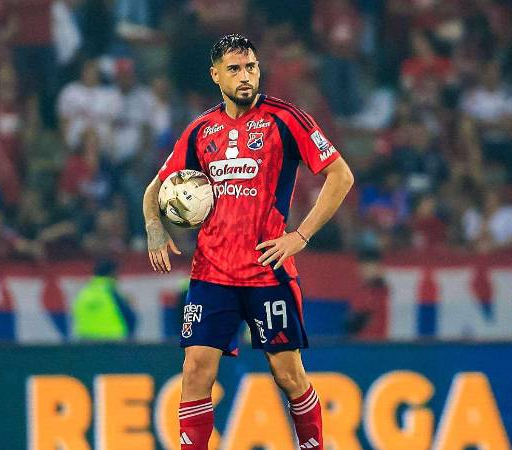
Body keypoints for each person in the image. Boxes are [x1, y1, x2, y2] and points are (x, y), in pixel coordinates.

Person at [143, 35, 355, 450]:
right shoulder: (200, 130)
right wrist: (155, 226)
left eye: (252, 67)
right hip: (211, 273)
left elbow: (340, 175)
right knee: (195, 370)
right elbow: (155, 188)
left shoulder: (286, 119)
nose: (246, 76)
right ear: (215, 74)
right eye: (236, 69)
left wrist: (300, 236)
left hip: (266, 271)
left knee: (288, 374)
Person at [70, 258, 138, 341]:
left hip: (86, 343)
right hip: (112, 343)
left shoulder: (83, 293)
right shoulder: (111, 293)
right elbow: (130, 319)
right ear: (113, 273)